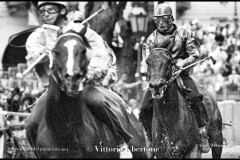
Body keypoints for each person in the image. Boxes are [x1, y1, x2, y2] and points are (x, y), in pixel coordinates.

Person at [25, 2, 132, 157]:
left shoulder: (83, 33)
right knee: (32, 121)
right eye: (42, 11)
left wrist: (91, 71)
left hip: (83, 84)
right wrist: (46, 53)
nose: (46, 14)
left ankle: (120, 139)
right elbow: (32, 53)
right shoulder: (39, 34)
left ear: (62, 11)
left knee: (100, 102)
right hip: (55, 88)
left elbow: (100, 54)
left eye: (50, 10)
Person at [139, 3, 210, 153]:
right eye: (158, 20)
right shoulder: (151, 39)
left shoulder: (185, 34)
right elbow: (148, 60)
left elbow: (195, 54)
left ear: (171, 18)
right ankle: (150, 138)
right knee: (144, 107)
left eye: (164, 19)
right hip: (160, 76)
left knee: (195, 97)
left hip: (180, 74)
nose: (161, 23)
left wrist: (182, 62)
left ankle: (202, 131)